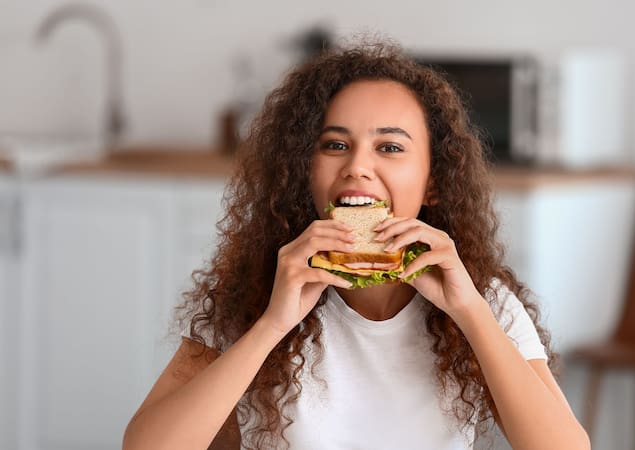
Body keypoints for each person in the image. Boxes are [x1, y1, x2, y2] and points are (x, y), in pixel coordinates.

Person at [122, 39, 589, 450]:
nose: (357, 167)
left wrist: (470, 312)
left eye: (389, 147)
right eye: (334, 145)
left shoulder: (480, 298)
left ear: (434, 183)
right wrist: (271, 325)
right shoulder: (253, 294)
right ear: (304, 171)